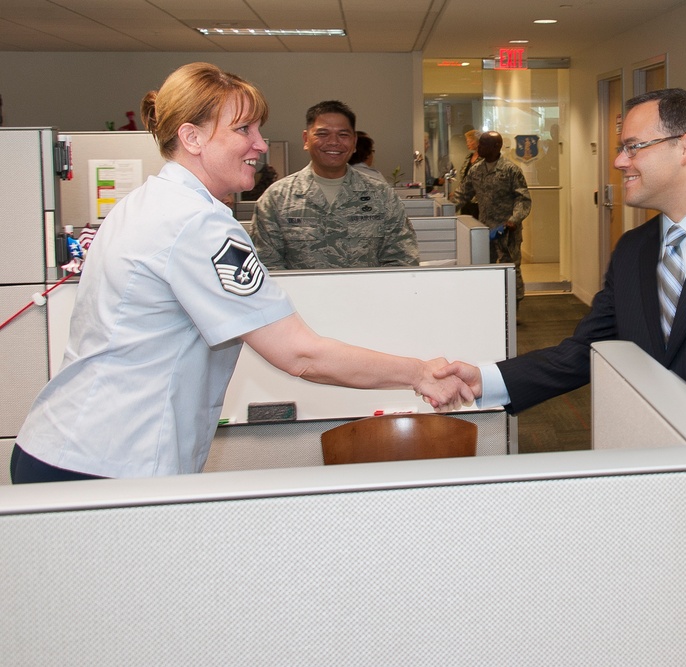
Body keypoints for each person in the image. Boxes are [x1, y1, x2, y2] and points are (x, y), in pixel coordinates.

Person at [438, 89, 686, 666]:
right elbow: (582, 352)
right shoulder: (633, 249)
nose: (618, 162)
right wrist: (483, 380)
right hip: (656, 494)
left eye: (632, 147)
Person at [9, 63, 472, 484]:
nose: (261, 144)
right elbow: (299, 355)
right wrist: (419, 372)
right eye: (243, 129)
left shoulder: (148, 202)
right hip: (107, 460)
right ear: (192, 138)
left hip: (68, 443)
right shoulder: (198, 223)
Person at [250, 100, 418, 270]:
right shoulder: (276, 198)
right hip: (299, 297)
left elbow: (403, 260)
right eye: (322, 134)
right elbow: (266, 266)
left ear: (354, 142)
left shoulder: (381, 196)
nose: (333, 142)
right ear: (306, 139)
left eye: (343, 135)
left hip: (368, 295)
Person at [452, 131, 532, 306]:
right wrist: (446, 211)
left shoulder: (511, 170)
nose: (479, 147)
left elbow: (523, 199)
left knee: (510, 268)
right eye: (479, 144)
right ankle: (491, 305)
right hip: (485, 230)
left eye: (483, 144)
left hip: (507, 229)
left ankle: (513, 305)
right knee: (486, 267)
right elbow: (461, 194)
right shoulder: (476, 170)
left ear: (496, 147)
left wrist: (514, 219)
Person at [456, 129, 481, 218]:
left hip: (478, 200)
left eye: (470, 141)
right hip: (465, 199)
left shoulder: (484, 159)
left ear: (477, 142)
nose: (467, 143)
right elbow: (464, 177)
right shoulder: (468, 157)